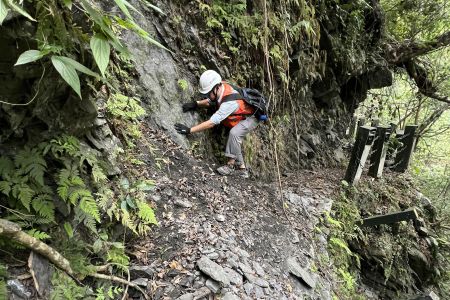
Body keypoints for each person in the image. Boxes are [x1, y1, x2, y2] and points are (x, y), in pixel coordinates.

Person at [174, 70, 259, 179]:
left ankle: (231, 166)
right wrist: (196, 104)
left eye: (208, 93)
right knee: (234, 136)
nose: (206, 96)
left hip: (252, 117)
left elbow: (212, 122)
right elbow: (212, 100)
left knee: (234, 133)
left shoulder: (229, 103)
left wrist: (189, 130)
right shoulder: (220, 86)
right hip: (241, 113)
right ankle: (242, 170)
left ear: (216, 88)